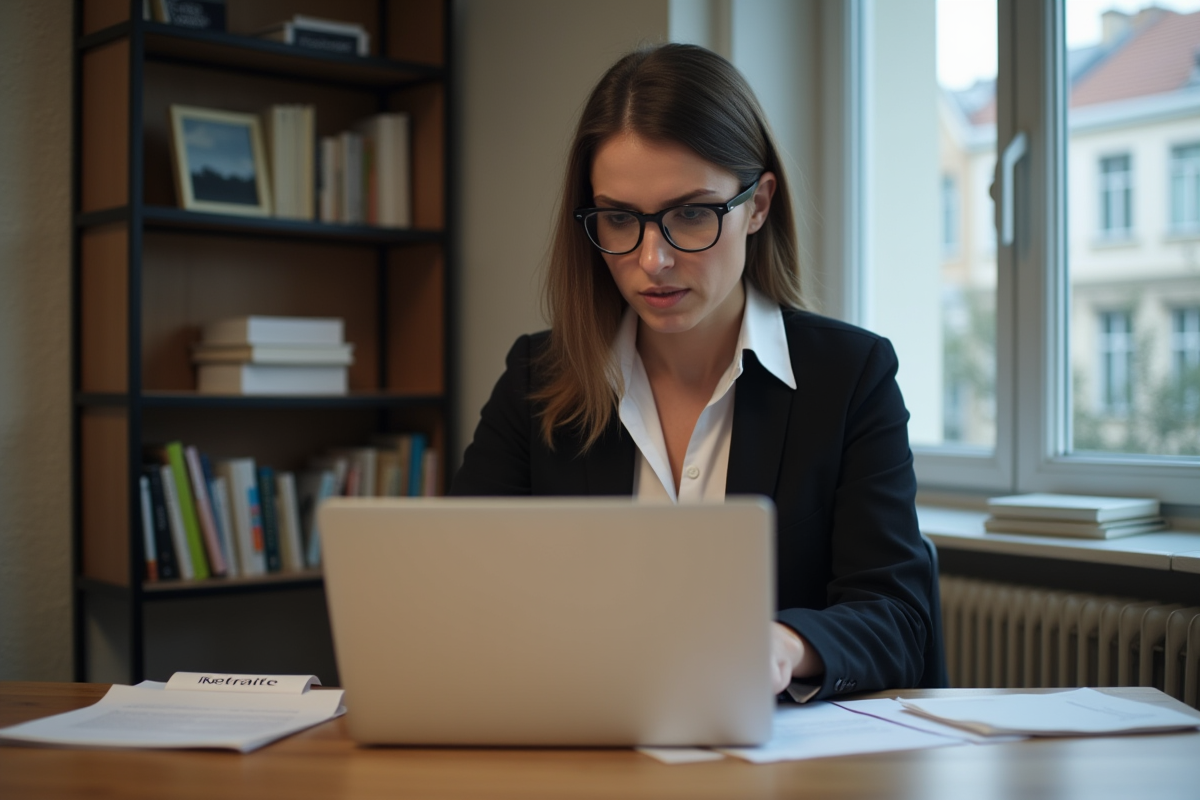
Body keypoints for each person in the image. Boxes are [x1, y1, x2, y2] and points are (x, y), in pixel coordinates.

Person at [451, 43, 937, 701]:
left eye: (691, 213)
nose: (653, 259)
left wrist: (783, 646)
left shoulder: (850, 377)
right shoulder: (536, 379)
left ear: (758, 205)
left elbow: (899, 619)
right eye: (619, 218)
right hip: (583, 735)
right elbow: (462, 591)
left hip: (772, 748)